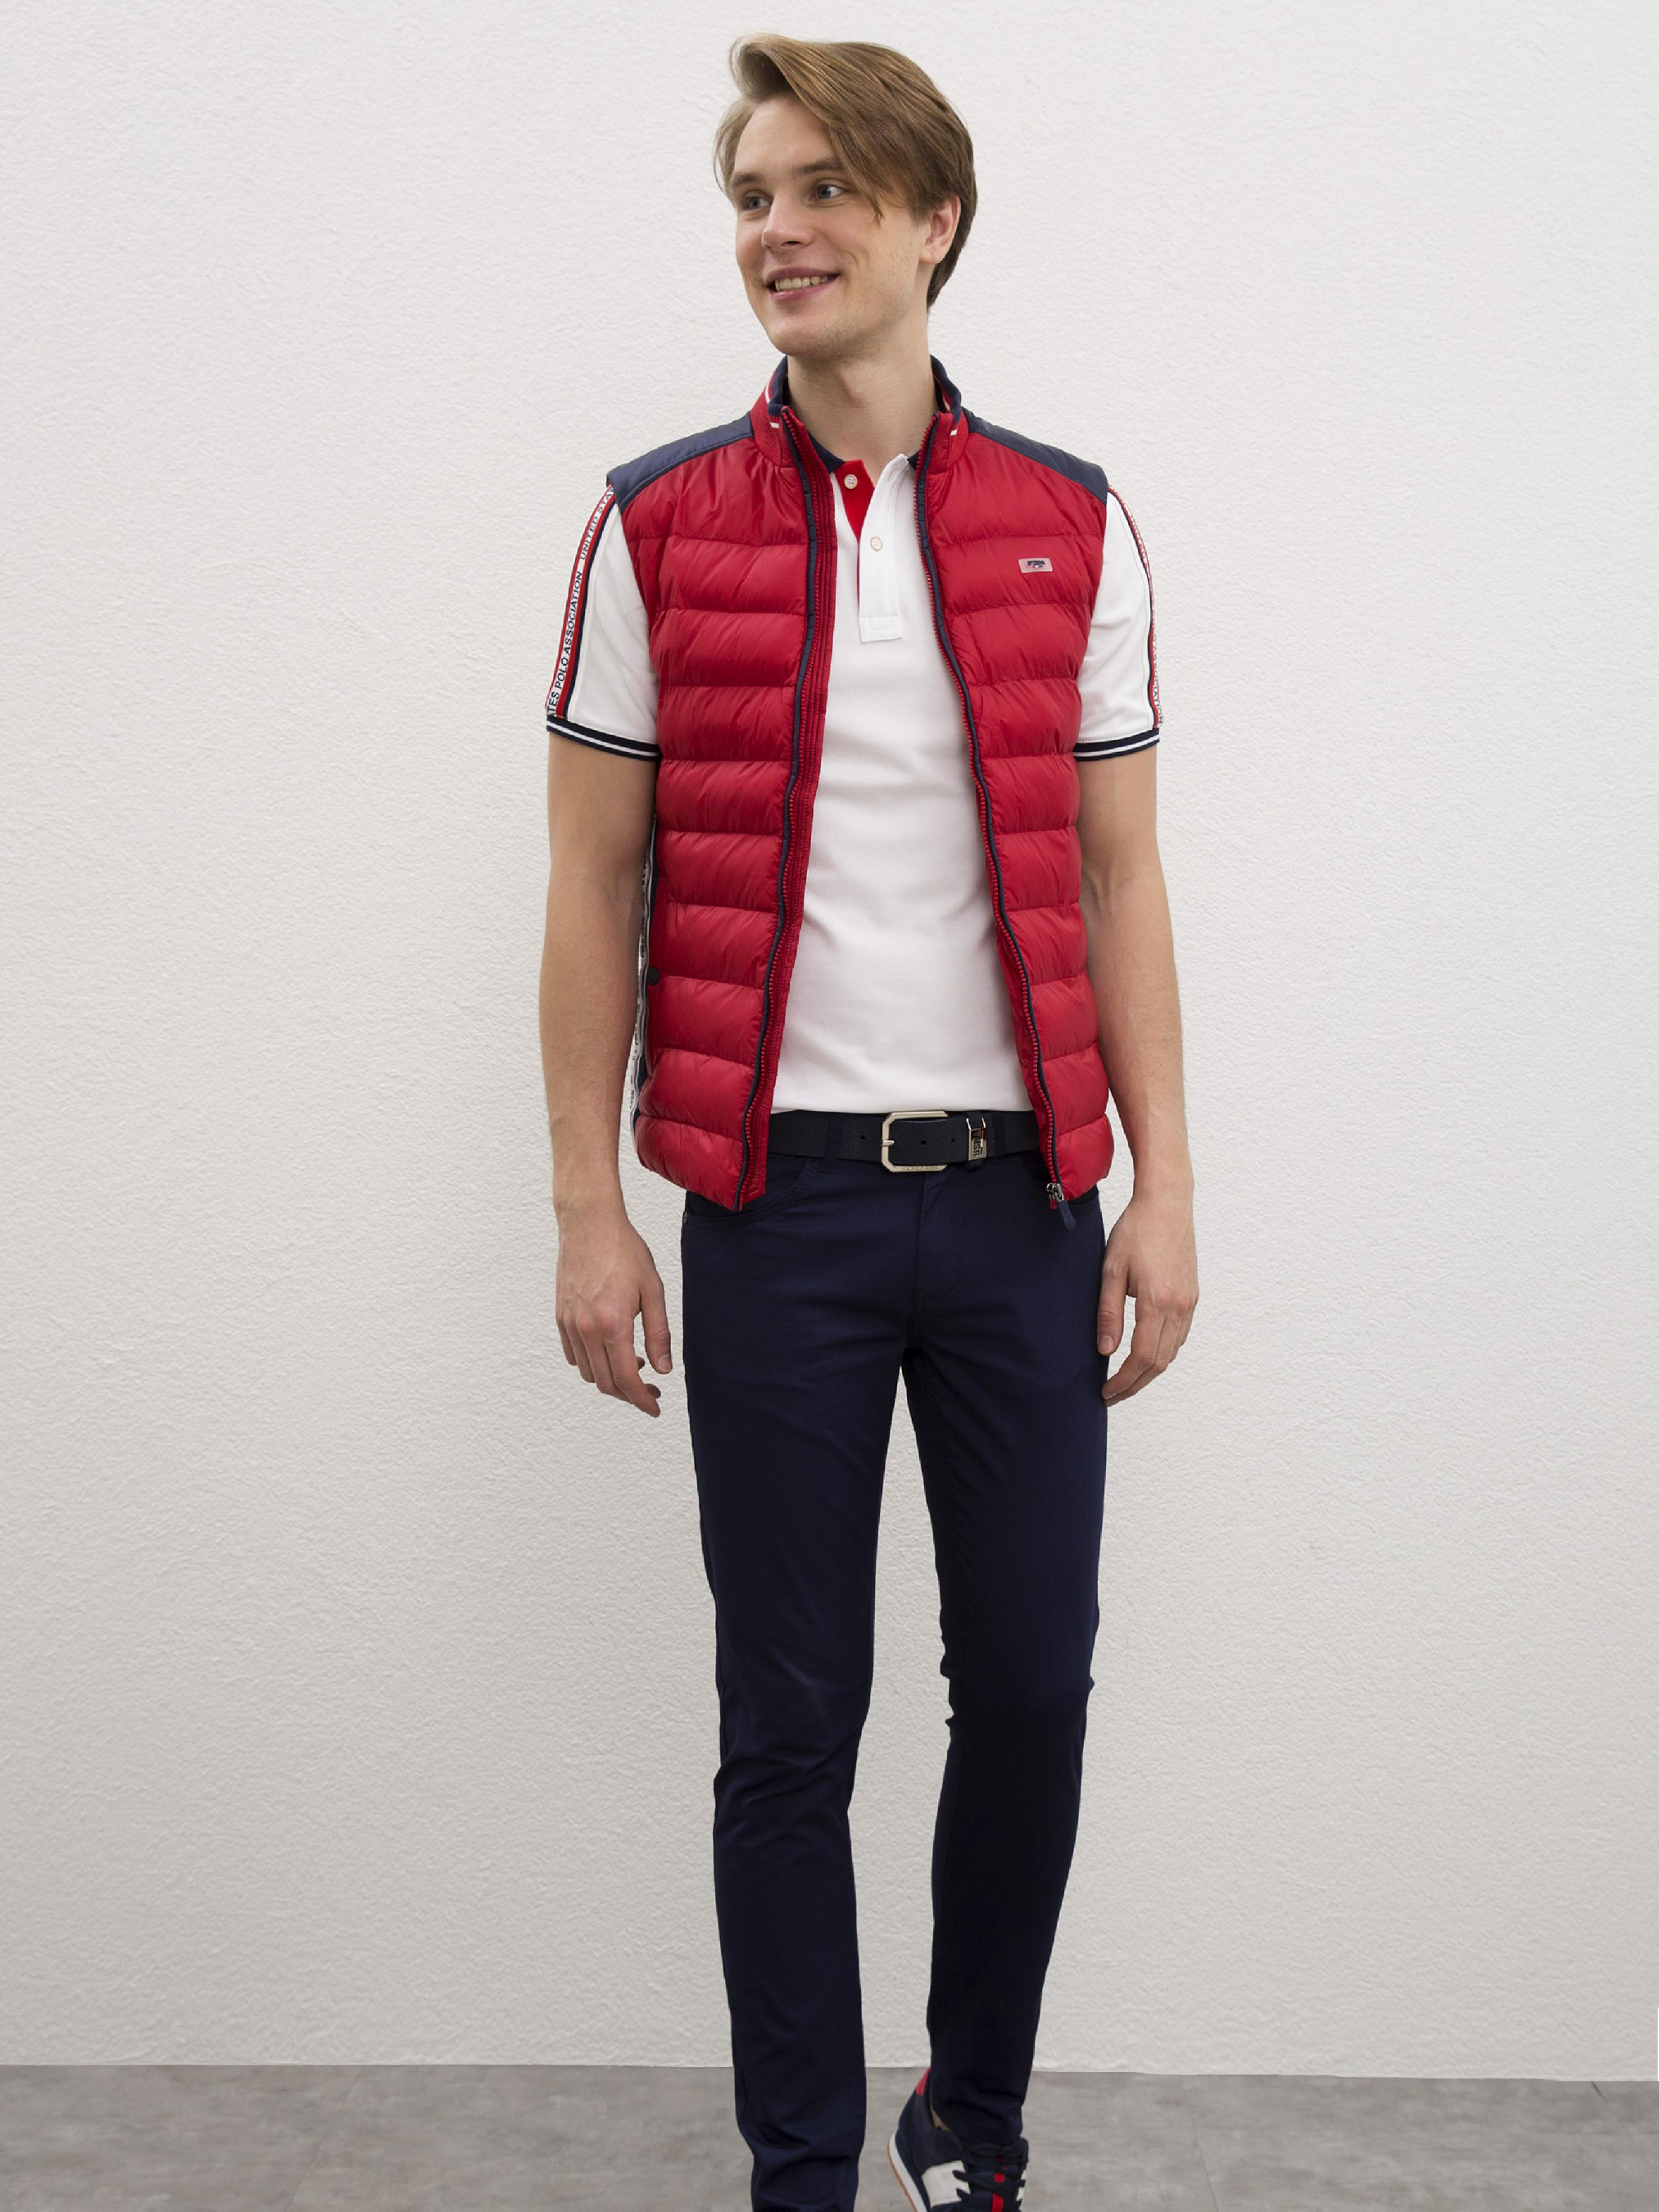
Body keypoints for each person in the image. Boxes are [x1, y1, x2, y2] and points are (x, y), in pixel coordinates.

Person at [539, 34, 1198, 2212]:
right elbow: (592, 886)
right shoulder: (652, 524)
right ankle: (802, 2174)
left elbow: (1120, 875)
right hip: (780, 1214)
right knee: (786, 1727)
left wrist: (1165, 1186)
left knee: (1030, 1693)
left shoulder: (1072, 526)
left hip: (1020, 1206)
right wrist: (590, 1209)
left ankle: (969, 2120)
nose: (779, 231)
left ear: (934, 221)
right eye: (752, 195)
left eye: (824, 188)